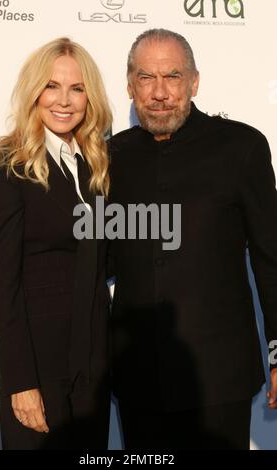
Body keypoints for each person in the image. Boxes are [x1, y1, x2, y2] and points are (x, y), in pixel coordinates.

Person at [108, 28, 277, 450]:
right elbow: (95, 258)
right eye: (147, 78)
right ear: (130, 85)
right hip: (138, 381)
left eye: (173, 77)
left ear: (194, 82)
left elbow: (271, 258)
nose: (160, 92)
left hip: (221, 382)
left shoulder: (242, 147)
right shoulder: (108, 156)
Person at [0, 37, 112, 450]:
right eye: (52, 86)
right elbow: (3, 283)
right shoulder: (5, 164)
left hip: (93, 365)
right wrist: (20, 381)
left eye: (77, 88)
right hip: (37, 364)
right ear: (34, 91)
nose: (65, 100)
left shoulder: (98, 165)